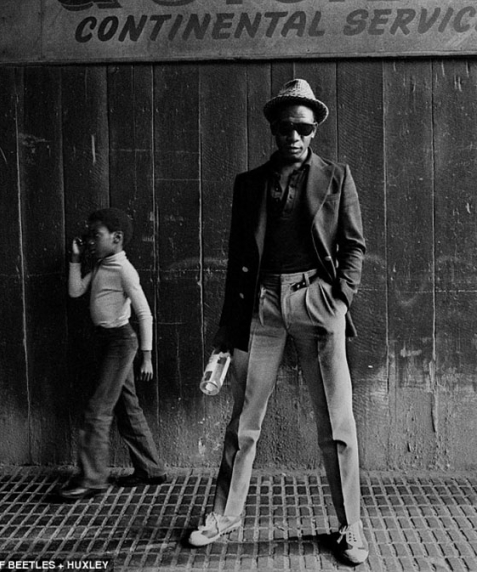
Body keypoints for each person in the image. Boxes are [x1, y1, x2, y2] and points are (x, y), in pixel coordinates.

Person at [187, 79, 369, 565]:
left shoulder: (337, 176)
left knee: (337, 422)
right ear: (274, 129)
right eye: (285, 125)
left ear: (314, 130)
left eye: (303, 126)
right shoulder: (248, 185)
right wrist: (228, 330)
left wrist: (339, 299)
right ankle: (225, 514)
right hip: (261, 303)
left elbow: (354, 246)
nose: (294, 135)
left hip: (317, 300)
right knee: (244, 419)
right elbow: (237, 259)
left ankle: (350, 526)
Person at [60, 207, 167, 500]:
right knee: (127, 408)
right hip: (107, 343)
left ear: (117, 238)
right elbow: (75, 291)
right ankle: (151, 469)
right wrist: (76, 258)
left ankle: (92, 479)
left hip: (121, 343)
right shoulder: (102, 265)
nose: (91, 240)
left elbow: (144, 313)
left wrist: (146, 356)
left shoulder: (123, 270)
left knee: (97, 411)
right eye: (89, 235)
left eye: (97, 235)